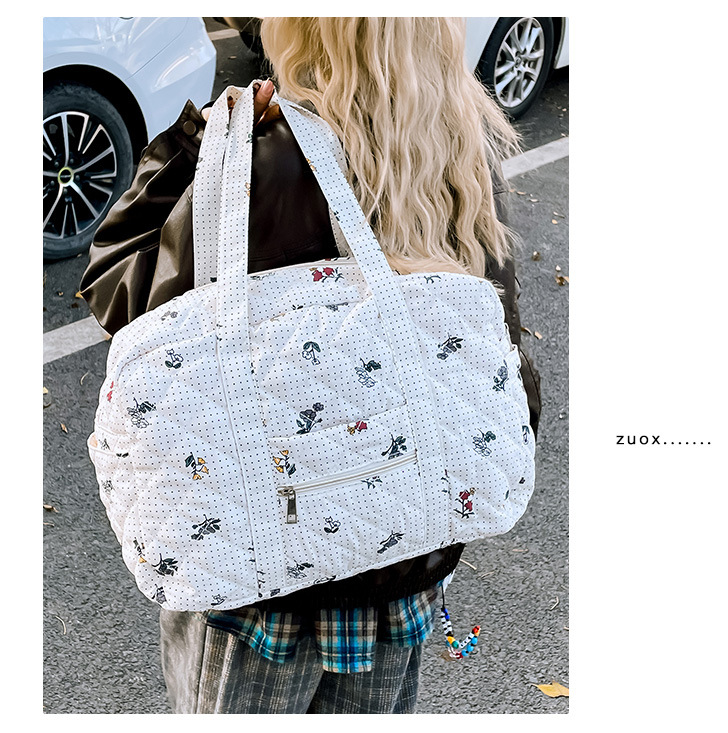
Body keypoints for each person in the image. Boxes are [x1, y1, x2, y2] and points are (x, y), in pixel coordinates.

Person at [80, 17, 541, 714]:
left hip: (259, 590)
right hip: (404, 564)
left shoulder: (261, 157)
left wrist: (197, 138)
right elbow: (500, 359)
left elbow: (119, 287)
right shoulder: (459, 152)